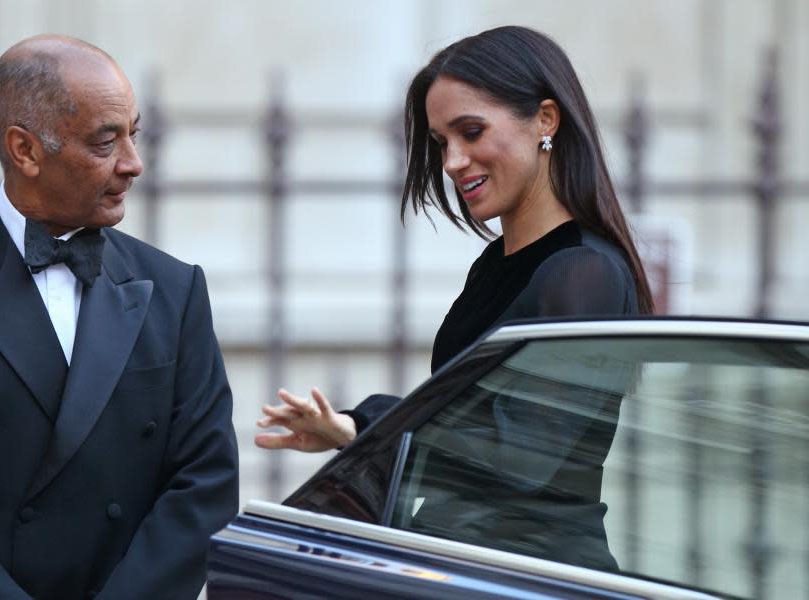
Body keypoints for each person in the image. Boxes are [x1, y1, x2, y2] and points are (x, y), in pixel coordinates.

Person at [0, 35, 238, 600]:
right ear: (24, 150)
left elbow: (206, 485)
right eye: (106, 141)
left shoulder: (176, 291)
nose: (134, 163)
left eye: (134, 132)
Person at [255, 26, 654, 569]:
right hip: (465, 565)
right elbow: (463, 431)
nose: (452, 162)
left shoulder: (582, 271)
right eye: (443, 141)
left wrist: (364, 428)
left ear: (545, 120)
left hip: (533, 574)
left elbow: (519, 459)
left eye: (471, 132)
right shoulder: (497, 266)